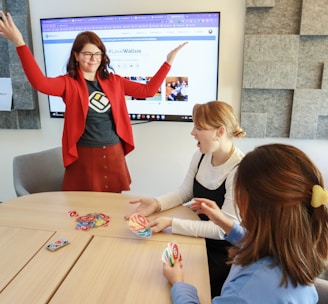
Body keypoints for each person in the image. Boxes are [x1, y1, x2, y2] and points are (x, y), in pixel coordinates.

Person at [0, 11, 187, 193]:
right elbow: (39, 82)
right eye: (87, 54)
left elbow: (148, 91)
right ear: (76, 55)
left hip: (114, 153)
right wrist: (19, 43)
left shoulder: (115, 81)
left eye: (97, 54)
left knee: (112, 209)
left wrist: (167, 63)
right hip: (84, 155)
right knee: (83, 209)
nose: (93, 59)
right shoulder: (68, 83)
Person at [163, 143, 328, 304]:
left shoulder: (247, 290)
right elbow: (257, 241)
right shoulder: (296, 252)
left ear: (247, 202)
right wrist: (223, 221)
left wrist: (179, 283)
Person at [125, 101, 246, 297]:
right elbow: (184, 192)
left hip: (221, 254)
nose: (192, 132)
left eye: (198, 128)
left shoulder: (239, 170)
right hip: (196, 238)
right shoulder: (200, 156)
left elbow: (224, 228)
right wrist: (156, 203)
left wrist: (172, 223)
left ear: (220, 131)